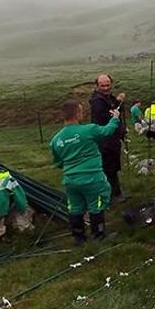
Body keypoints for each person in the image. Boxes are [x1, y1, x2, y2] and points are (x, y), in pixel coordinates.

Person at [50, 100, 121, 244]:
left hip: (70, 180)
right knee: (96, 204)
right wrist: (115, 118)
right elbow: (107, 131)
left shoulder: (55, 140)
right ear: (78, 114)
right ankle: (98, 235)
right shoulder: (89, 130)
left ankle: (79, 237)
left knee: (75, 207)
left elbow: (58, 162)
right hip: (92, 177)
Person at [89, 74, 127, 202]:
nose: (106, 88)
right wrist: (117, 106)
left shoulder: (107, 97)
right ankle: (110, 196)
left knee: (113, 167)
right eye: (102, 85)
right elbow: (106, 117)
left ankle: (116, 193)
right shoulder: (97, 101)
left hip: (111, 138)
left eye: (108, 85)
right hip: (105, 139)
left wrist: (118, 102)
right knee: (108, 168)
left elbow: (115, 109)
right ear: (97, 86)